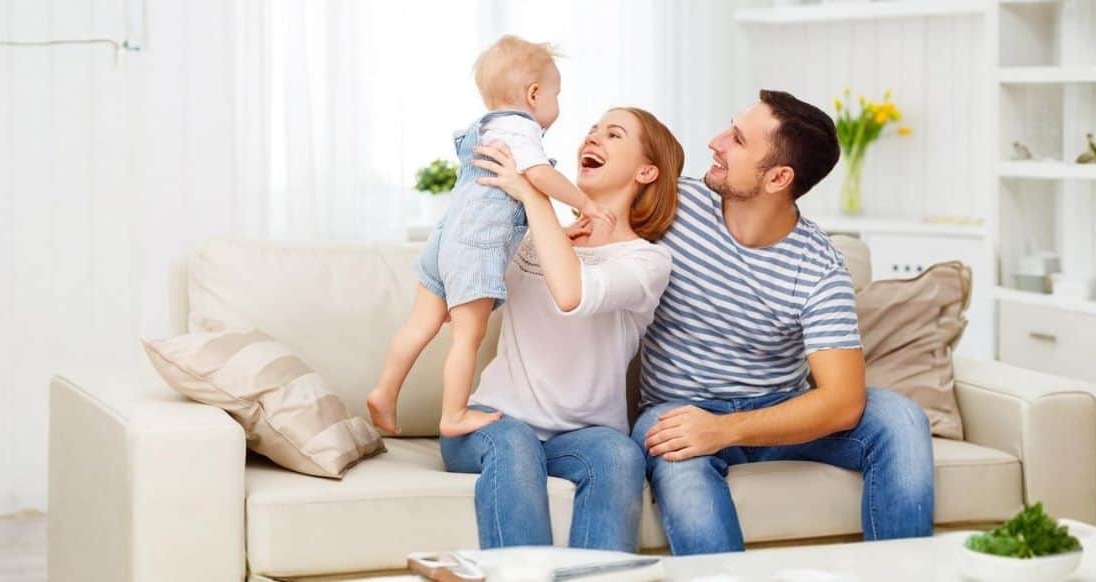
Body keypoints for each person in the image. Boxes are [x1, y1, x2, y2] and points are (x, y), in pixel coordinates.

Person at [633, 90, 936, 555]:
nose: (715, 142)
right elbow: (593, 204)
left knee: (898, 418)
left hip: (778, 409)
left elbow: (842, 402)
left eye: (736, 139)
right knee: (678, 454)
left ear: (777, 177)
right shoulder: (672, 205)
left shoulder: (819, 266)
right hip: (681, 408)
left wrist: (727, 429)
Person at [437, 107, 682, 551]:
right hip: (495, 422)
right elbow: (460, 280)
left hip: (581, 436)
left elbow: (572, 294)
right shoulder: (532, 237)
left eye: (613, 134)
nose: (593, 138)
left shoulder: (646, 261)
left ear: (646, 170)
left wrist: (535, 197)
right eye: (592, 130)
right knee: (515, 445)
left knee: (620, 455)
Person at [365, 35, 615, 438]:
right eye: (557, 94)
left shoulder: (486, 129)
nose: (558, 105)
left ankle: (384, 390)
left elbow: (511, 205)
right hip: (474, 249)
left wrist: (562, 232)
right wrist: (584, 203)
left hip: (446, 240)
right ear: (534, 94)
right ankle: (454, 414)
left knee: (419, 327)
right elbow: (538, 178)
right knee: (468, 336)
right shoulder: (521, 129)